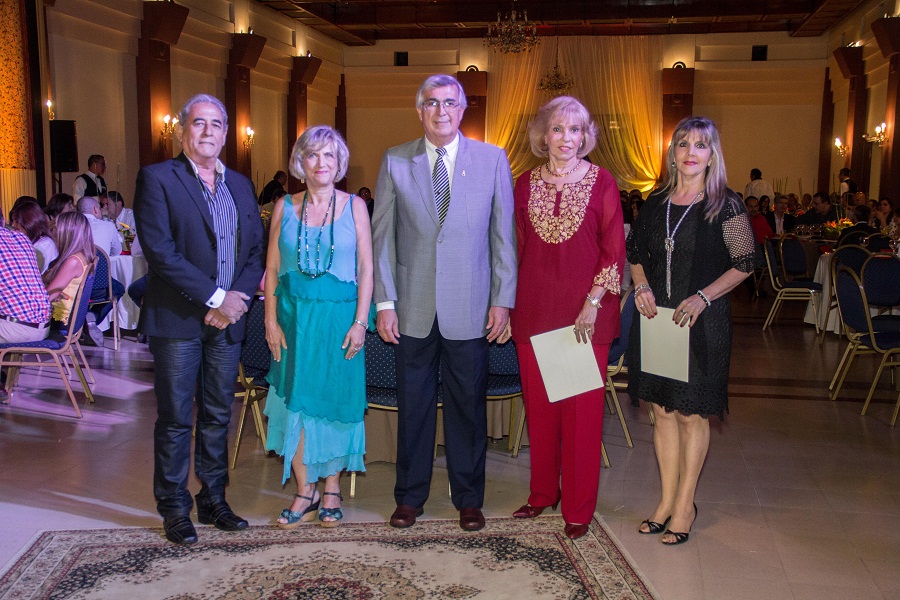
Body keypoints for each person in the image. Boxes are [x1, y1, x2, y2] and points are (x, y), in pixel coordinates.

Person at [372, 74, 517, 532]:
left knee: (467, 407)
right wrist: (384, 302)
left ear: (462, 109)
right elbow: (382, 238)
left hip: (471, 307)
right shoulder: (395, 160)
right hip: (411, 307)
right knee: (413, 406)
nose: (441, 111)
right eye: (432, 103)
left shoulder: (493, 160)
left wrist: (502, 300)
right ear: (420, 111)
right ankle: (409, 497)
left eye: (449, 103)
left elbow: (503, 236)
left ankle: (469, 499)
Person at [134, 93, 265, 545]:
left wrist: (236, 300)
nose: (208, 131)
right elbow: (160, 252)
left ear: (226, 133)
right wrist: (216, 298)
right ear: (181, 130)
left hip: (227, 322)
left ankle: (213, 498)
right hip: (177, 320)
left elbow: (254, 250)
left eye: (216, 124)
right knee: (175, 417)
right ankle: (174, 506)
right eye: (198, 123)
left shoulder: (241, 185)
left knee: (217, 413)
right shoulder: (158, 179)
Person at [626, 116, 754, 545]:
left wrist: (704, 296)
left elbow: (745, 262)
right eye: (683, 144)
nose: (691, 152)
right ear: (673, 153)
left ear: (712, 155)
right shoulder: (656, 201)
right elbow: (635, 251)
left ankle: (685, 506)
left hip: (701, 324)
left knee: (690, 414)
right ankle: (665, 501)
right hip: (658, 321)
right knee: (662, 411)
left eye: (700, 145)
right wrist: (641, 285)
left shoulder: (726, 204)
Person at [504, 96, 624, 540]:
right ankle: (542, 494)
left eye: (575, 130)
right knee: (541, 411)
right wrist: (504, 304)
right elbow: (513, 249)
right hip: (534, 311)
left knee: (580, 417)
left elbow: (613, 248)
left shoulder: (602, 181)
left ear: (586, 135)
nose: (566, 138)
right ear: (543, 134)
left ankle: (577, 507)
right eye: (557, 129)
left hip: (583, 318)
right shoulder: (523, 184)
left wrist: (592, 302)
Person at [263, 126, 373, 529]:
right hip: (293, 323)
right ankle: (305, 489)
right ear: (300, 162)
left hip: (340, 322)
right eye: (312, 155)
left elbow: (366, 268)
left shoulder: (355, 207)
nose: (321, 163)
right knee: (295, 402)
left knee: (335, 405)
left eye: (329, 155)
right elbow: (272, 268)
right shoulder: (283, 206)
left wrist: (360, 322)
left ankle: (331, 488)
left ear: (339, 162)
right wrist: (269, 320)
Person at [43, 212, 94, 328]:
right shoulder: (82, 256)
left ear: (66, 233)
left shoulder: (73, 261)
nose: (52, 232)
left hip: (59, 321)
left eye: (55, 229)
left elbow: (46, 297)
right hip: (62, 316)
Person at [9, 201, 58, 274]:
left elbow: (23, 272)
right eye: (13, 221)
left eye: (16, 221)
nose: (13, 225)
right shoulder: (33, 242)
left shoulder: (44, 245)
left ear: (29, 223)